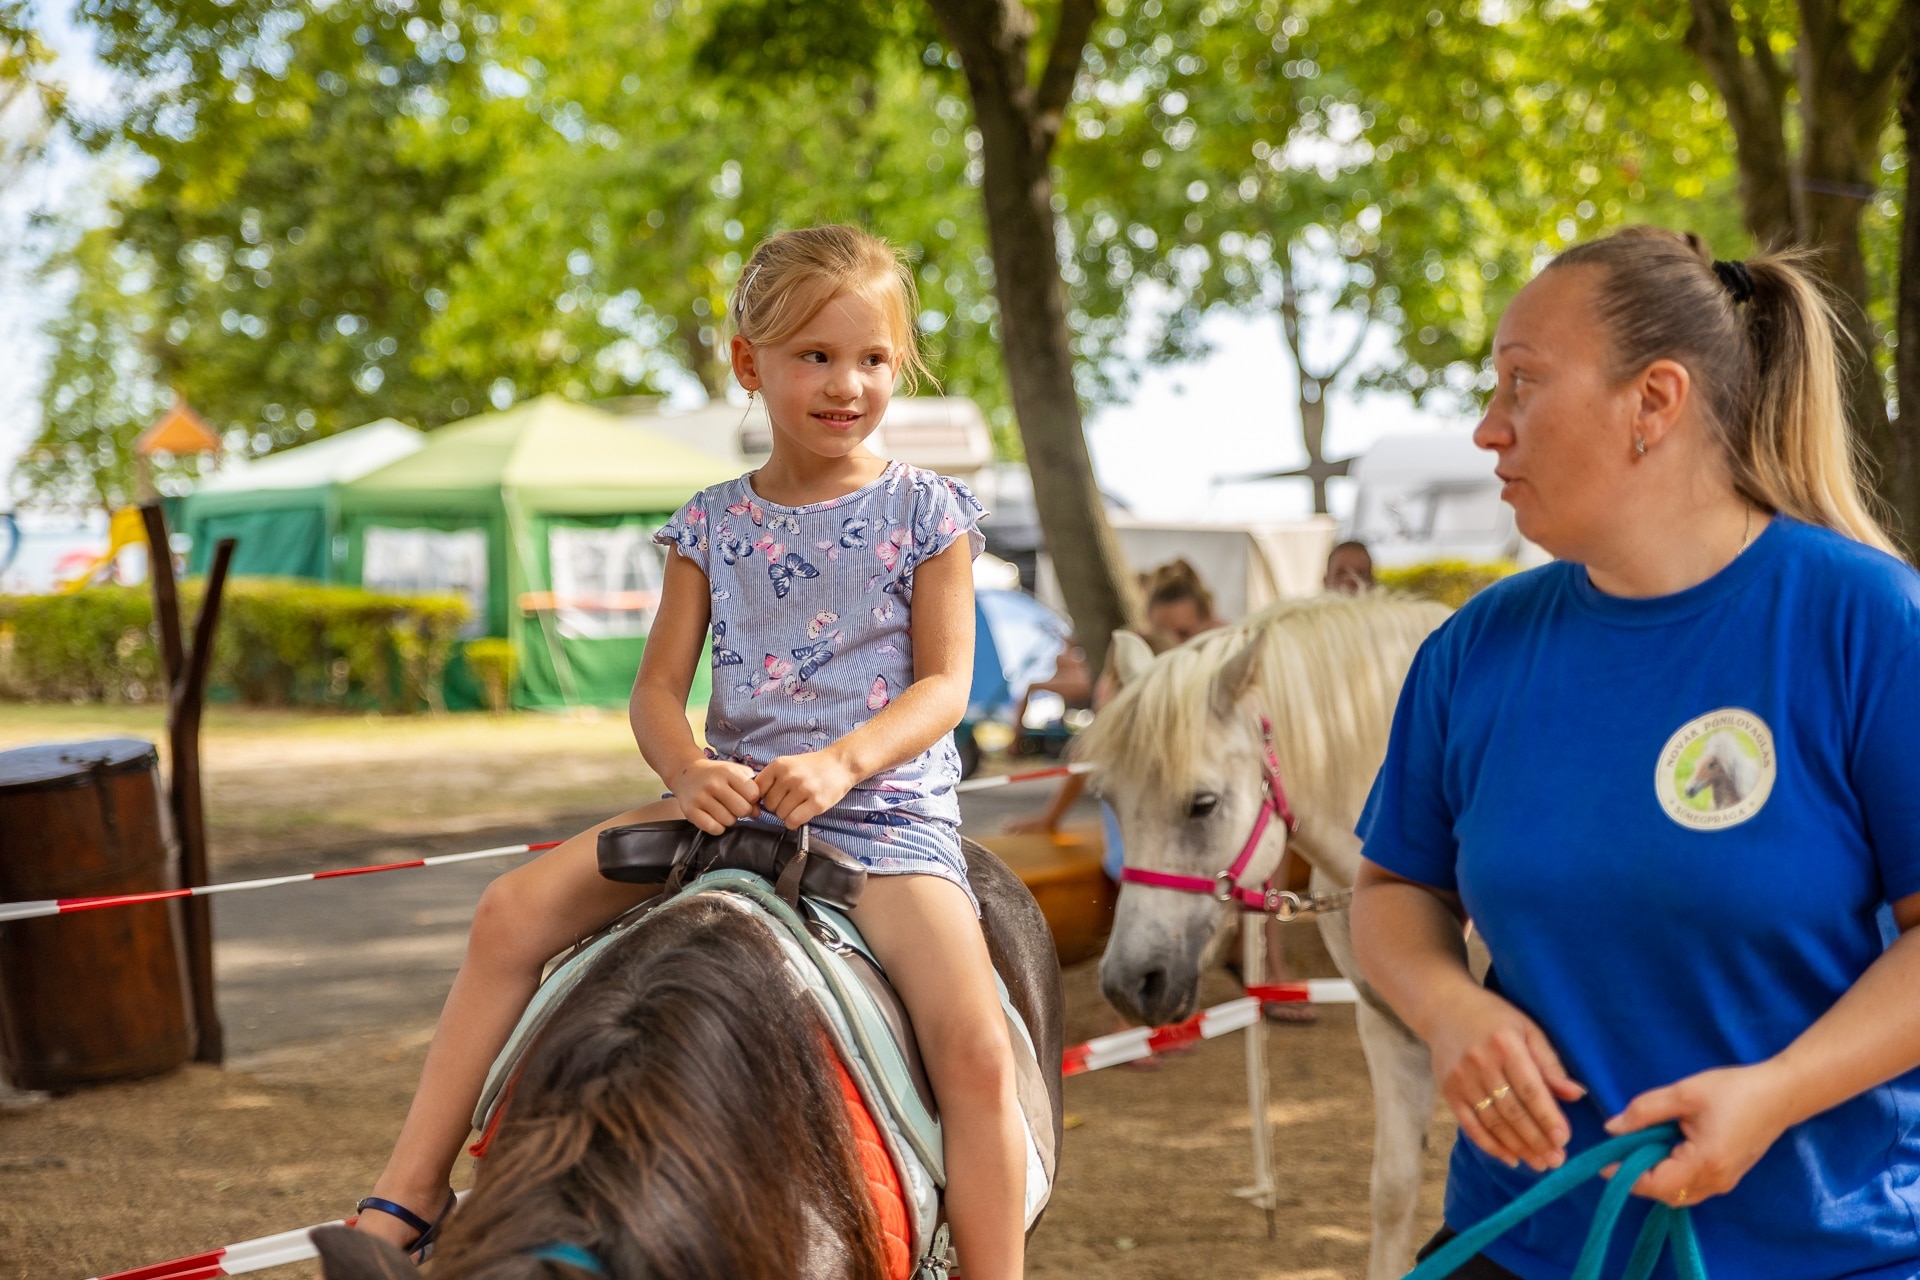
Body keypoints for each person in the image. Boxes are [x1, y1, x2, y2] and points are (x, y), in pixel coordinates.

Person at [356, 225, 1028, 1278]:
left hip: (881, 818)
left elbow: (945, 685)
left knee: (978, 1050)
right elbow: (658, 690)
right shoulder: (709, 524)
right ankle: (405, 1193)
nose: (847, 383)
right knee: (508, 913)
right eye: (815, 355)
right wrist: (684, 770)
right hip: (725, 807)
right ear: (747, 363)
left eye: (874, 357)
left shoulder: (925, 512)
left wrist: (847, 762)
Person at [1350, 227, 1920, 1279]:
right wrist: (1447, 1005)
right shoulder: (1473, 647)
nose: (1488, 429)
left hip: (1823, 1250)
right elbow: (1391, 887)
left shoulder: (1866, 621)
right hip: (1520, 1238)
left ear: (1655, 401)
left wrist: (1778, 1091)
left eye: (1522, 384)